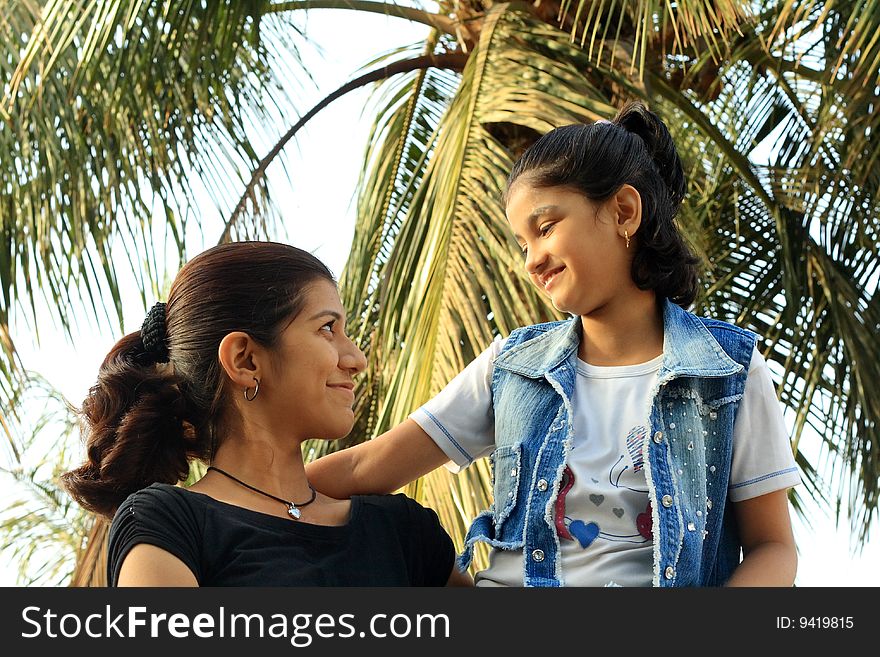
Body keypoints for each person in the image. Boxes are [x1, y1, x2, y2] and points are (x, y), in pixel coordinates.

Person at [306, 101, 801, 587]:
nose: (532, 261)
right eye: (523, 244)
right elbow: (367, 465)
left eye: (545, 229)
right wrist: (239, 486)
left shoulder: (727, 369)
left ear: (624, 211)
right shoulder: (513, 367)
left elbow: (773, 547)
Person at [62, 241, 472, 587]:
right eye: (327, 328)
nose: (356, 358)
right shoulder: (170, 524)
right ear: (245, 360)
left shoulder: (402, 531)